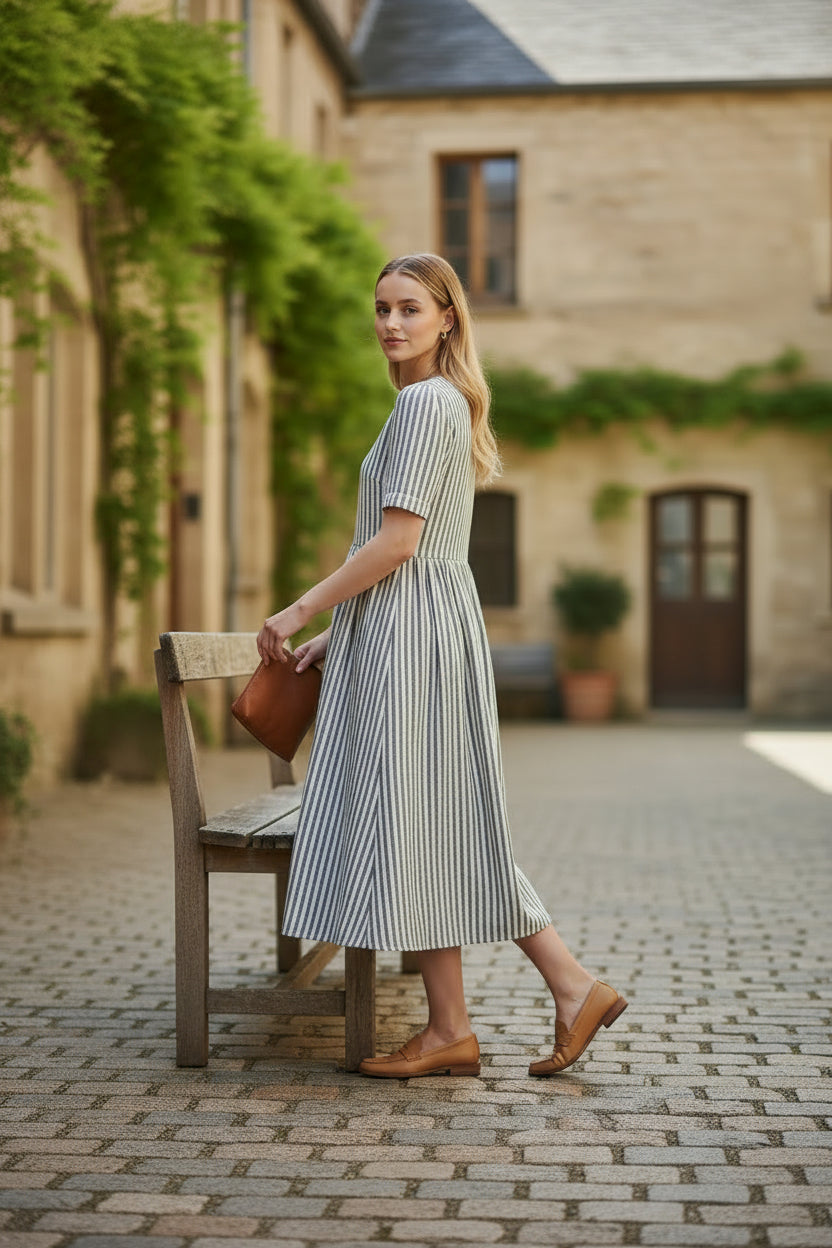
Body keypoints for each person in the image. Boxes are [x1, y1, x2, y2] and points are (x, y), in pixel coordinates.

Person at [257, 253, 627, 1078]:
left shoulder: (427, 403)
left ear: (448, 318)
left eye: (410, 309)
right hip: (410, 629)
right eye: (381, 308)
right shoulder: (432, 403)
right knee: (431, 821)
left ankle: (565, 985)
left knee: (436, 821)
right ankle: (462, 1025)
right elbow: (402, 555)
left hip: (411, 642)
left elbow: (396, 544)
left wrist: (300, 610)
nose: (390, 324)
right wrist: (338, 635)